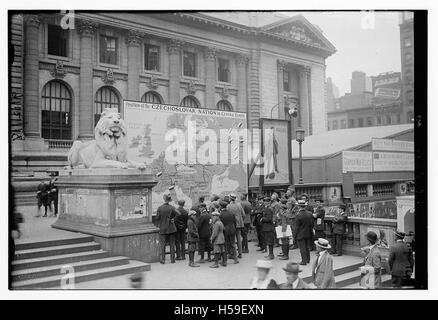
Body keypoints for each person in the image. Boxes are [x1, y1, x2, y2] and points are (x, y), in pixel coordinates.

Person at [155, 194, 177, 264]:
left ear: (164, 199)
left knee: (163, 245)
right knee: (172, 244)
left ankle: (163, 260)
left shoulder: (160, 208)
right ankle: (172, 260)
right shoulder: (172, 207)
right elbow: (179, 213)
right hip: (171, 228)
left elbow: (157, 218)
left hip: (163, 228)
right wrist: (174, 219)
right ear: (169, 200)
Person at [219, 200, 239, 264]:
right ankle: (235, 259)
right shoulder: (231, 213)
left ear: (221, 207)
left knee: (225, 245)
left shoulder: (221, 214)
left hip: (225, 231)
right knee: (233, 244)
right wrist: (234, 229)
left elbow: (221, 224)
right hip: (232, 230)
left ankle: (224, 261)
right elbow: (235, 222)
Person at [295, 199, 314, 265]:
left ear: (299, 206)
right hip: (308, 232)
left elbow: (296, 227)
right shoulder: (310, 214)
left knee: (302, 248)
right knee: (307, 247)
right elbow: (312, 224)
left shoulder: (298, 215)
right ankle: (308, 259)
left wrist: (295, 235)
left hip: (300, 233)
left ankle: (304, 261)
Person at [227, 194, 245, 258]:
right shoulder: (239, 205)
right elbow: (243, 215)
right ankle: (240, 253)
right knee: (239, 239)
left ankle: (232, 253)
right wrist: (240, 221)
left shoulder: (228, 206)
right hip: (239, 224)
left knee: (232, 240)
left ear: (230, 198)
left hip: (231, 224)